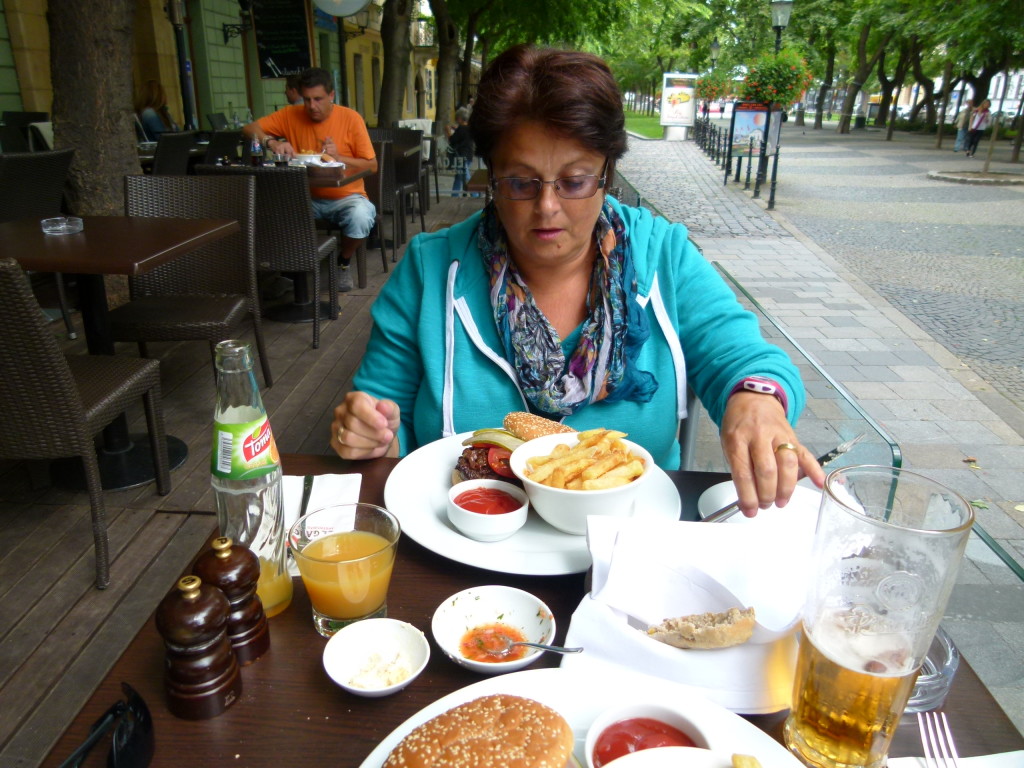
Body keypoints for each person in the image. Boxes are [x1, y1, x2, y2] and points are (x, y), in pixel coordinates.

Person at [330, 45, 824, 516]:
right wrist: (370, 432)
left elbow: (743, 356)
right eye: (521, 182)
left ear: (607, 172)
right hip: (466, 544)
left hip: (633, 543)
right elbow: (382, 418)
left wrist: (755, 402)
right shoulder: (429, 269)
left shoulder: (663, 257)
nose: (547, 208)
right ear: (492, 175)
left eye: (574, 181)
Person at [243, 67, 377, 292]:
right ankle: (283, 270)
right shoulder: (290, 114)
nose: (312, 106)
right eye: (306, 100)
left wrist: (339, 157)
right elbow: (249, 128)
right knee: (263, 211)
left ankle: (343, 263)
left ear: (331, 96)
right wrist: (272, 143)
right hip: (303, 197)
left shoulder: (351, 118)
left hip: (347, 195)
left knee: (361, 216)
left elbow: (372, 166)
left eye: (318, 99)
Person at [446, 108, 474, 196]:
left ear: (460, 118)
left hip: (461, 156)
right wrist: (456, 129)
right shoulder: (469, 128)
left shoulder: (461, 129)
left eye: (457, 118)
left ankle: (475, 195)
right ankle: (454, 195)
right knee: (459, 176)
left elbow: (452, 140)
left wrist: (448, 131)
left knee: (465, 176)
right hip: (468, 155)